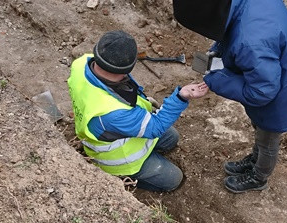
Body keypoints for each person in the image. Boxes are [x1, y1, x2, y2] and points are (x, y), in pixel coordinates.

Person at [170, 0, 287, 193]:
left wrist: (215, 79)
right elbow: (235, 28)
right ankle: (255, 159)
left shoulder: (250, 42)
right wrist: (217, 52)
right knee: (260, 132)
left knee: (268, 140)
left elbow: (263, 92)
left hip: (281, 100)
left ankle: (259, 177)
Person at [67, 30, 209, 192]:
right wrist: (182, 96)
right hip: (120, 159)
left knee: (171, 137)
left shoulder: (81, 63)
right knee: (174, 178)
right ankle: (122, 177)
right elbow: (156, 126)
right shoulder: (113, 113)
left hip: (116, 130)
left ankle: (150, 153)